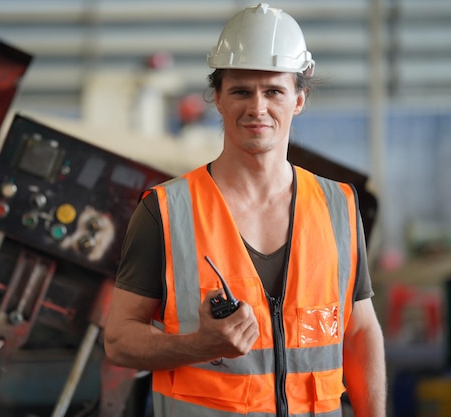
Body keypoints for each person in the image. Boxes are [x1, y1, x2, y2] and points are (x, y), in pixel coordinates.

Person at [104, 3, 386, 417]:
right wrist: (199, 345)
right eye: (241, 91)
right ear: (217, 98)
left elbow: (360, 331)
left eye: (273, 90)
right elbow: (118, 340)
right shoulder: (165, 211)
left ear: (299, 99)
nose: (257, 108)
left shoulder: (338, 206)